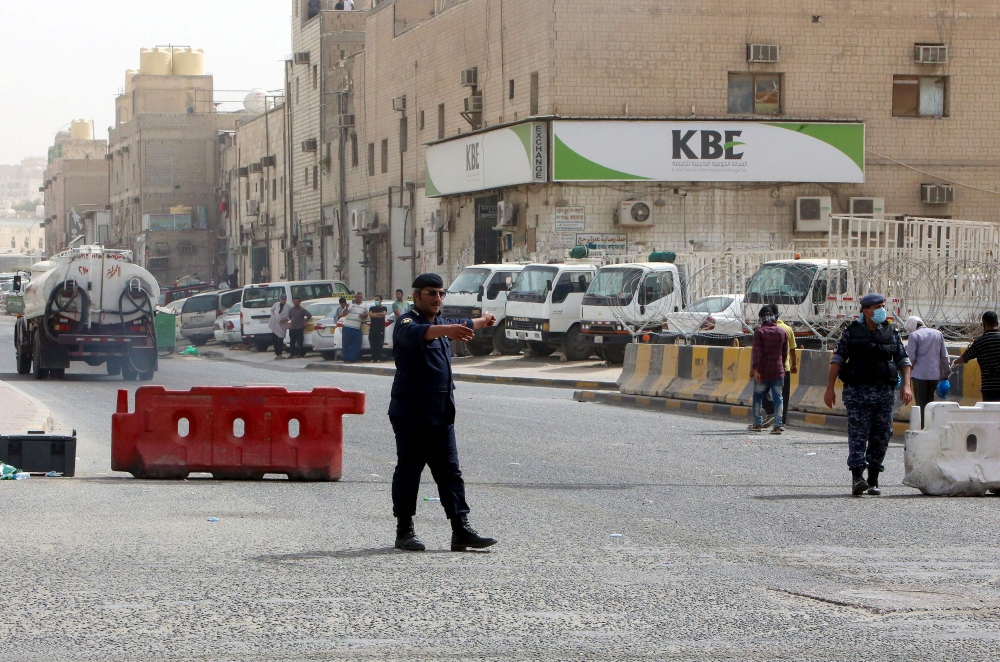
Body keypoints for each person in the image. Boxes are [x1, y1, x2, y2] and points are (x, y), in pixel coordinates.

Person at [389, 273, 498, 552]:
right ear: (417, 296)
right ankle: (405, 531)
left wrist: (483, 321)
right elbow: (418, 334)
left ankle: (460, 530)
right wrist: (447, 331)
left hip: (440, 411)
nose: (437, 298)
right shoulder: (406, 321)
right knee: (410, 470)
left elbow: (461, 324)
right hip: (412, 412)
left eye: (440, 293)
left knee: (450, 472)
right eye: (431, 293)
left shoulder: (441, 323)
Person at [825, 294, 912, 496]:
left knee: (882, 435)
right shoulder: (851, 333)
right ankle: (857, 477)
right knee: (858, 435)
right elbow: (837, 360)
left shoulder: (891, 332)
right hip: (857, 393)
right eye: (878, 307)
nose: (882, 310)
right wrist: (829, 388)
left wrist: (906, 385)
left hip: (883, 394)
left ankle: (873, 477)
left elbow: (903, 360)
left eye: (883, 306)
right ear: (866, 311)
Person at [749, 306, 788, 435]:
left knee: (758, 397)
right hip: (778, 370)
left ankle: (758, 423)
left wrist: (755, 369)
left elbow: (757, 353)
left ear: (761, 318)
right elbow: (784, 353)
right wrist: (781, 366)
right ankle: (778, 426)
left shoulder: (759, 332)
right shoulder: (782, 332)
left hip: (763, 371)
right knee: (778, 398)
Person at [905, 315, 950, 418]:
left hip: (919, 376)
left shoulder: (914, 336)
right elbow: (944, 356)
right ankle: (929, 426)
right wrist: (945, 374)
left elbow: (910, 358)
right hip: (934, 375)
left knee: (921, 405)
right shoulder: (938, 334)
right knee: (930, 404)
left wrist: (907, 372)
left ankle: (922, 428)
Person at [954, 310, 1000, 402]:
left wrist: (954, 362)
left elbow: (965, 357)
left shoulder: (980, 342)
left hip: (989, 388)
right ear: (997, 323)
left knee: (990, 414)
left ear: (983, 324)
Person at [341, 292, 368, 363]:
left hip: (357, 328)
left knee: (356, 345)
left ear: (361, 298)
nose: (357, 298)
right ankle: (346, 359)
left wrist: (364, 315)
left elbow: (366, 313)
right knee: (346, 344)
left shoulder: (364, 305)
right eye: (356, 297)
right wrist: (346, 308)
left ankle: (353, 359)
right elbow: (344, 314)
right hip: (348, 327)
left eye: (359, 297)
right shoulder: (350, 304)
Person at [269, 294, 291, 358]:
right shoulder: (276, 304)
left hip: (283, 324)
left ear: (286, 300)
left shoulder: (289, 306)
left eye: (284, 299)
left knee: (280, 339)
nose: (283, 300)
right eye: (282, 299)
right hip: (276, 323)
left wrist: (286, 319)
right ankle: (277, 354)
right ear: (280, 299)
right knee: (275, 339)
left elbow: (291, 314)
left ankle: (280, 354)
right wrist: (274, 316)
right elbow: (272, 310)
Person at [368, 295, 388, 362]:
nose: (376, 301)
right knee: (373, 343)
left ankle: (379, 358)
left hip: (380, 328)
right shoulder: (372, 308)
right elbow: (371, 315)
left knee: (379, 343)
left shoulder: (384, 308)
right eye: (375, 300)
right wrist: (379, 315)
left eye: (377, 300)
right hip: (373, 328)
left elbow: (383, 314)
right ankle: (373, 358)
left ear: (381, 300)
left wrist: (375, 314)